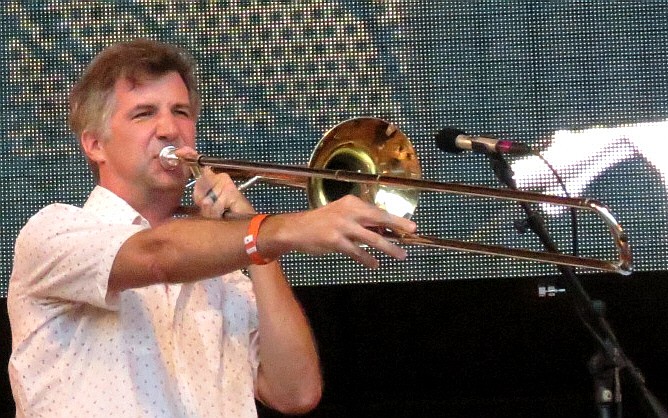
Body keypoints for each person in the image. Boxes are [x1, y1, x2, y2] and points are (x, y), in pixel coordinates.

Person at [7, 39, 416, 418]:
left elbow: (296, 391)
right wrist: (279, 230)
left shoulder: (227, 271)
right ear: (95, 144)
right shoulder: (54, 231)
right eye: (144, 113)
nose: (170, 129)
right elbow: (157, 255)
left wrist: (252, 235)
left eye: (181, 112)